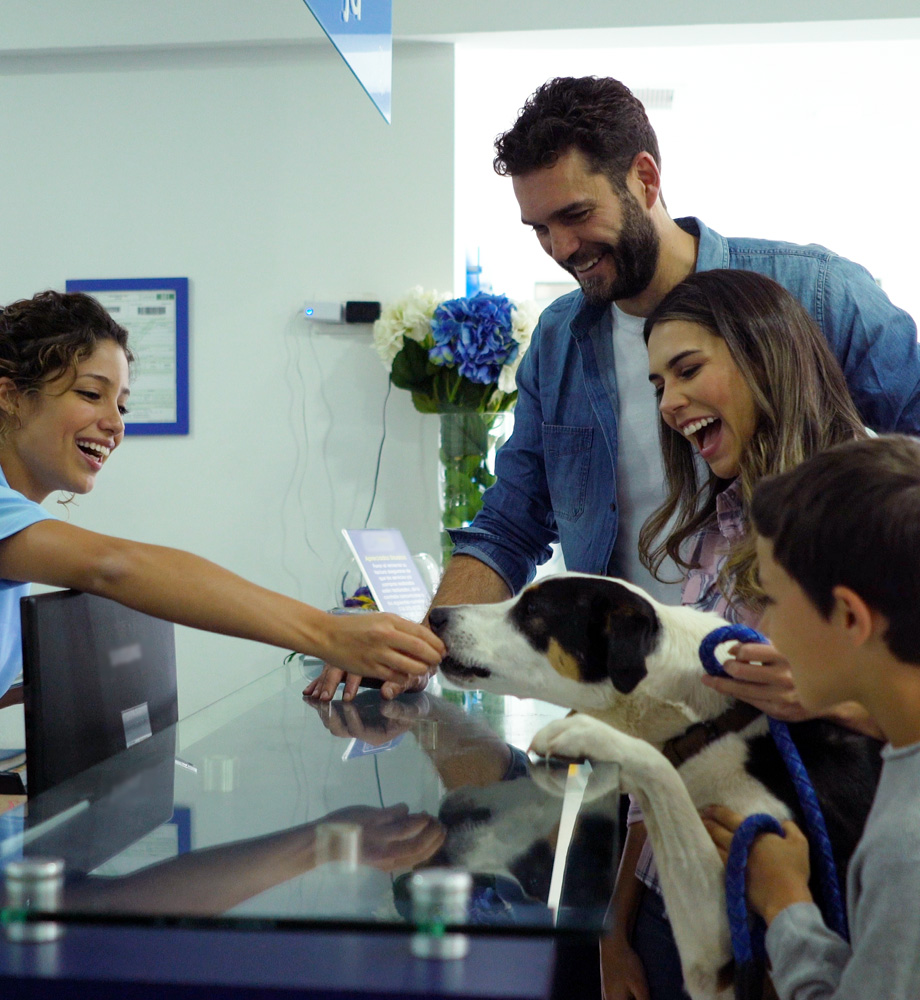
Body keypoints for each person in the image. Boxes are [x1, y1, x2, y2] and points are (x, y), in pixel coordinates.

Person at [308, 73, 920, 708]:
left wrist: (850, 667)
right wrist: (411, 651)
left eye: (576, 215)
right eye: (540, 228)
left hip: (808, 707)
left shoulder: (819, 293)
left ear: (645, 178)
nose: (562, 248)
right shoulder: (558, 340)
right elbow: (511, 522)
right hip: (635, 705)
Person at [0, 290, 444, 847]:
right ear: (12, 397)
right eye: (91, 394)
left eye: (121, 405)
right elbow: (114, 567)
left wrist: (52, 688)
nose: (113, 423)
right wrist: (328, 633)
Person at [590, 267, 880, 1000]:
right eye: (658, 384)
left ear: (765, 355)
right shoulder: (716, 538)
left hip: (797, 910)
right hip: (673, 910)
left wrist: (825, 700)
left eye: (688, 370)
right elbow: (666, 740)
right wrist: (619, 924)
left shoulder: (877, 510)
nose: (671, 403)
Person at [702, 434, 920, 1000]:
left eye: (771, 600)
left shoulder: (906, 851)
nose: (765, 628)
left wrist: (785, 902)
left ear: (849, 616)